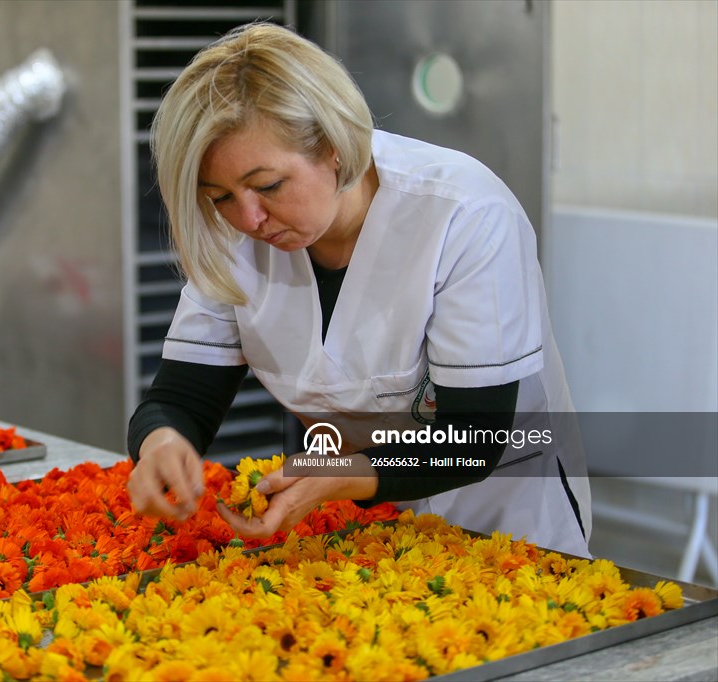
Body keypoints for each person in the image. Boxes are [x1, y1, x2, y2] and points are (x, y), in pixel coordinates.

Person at [125, 22, 592, 557]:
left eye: (268, 186)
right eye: (220, 196)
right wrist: (162, 441)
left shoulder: (463, 215)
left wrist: (341, 473)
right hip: (364, 538)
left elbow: (475, 436)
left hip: (504, 526)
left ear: (333, 148)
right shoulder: (232, 233)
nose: (249, 218)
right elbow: (181, 397)